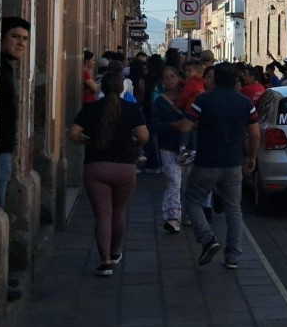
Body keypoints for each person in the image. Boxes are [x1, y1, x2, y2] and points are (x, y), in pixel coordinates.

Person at [173, 62, 260, 269]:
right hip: (233, 163)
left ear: (215, 79)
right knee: (233, 209)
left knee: (193, 200)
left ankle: (207, 238)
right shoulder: (245, 102)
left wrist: (171, 124)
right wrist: (252, 157)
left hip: (207, 162)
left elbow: (185, 126)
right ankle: (233, 257)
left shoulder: (204, 100)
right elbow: (255, 134)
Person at [69, 72, 149, 276]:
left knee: (102, 215)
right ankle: (115, 252)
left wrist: (87, 141)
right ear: (123, 88)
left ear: (102, 88)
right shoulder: (131, 109)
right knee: (119, 211)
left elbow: (74, 134)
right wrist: (132, 143)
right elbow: (143, 136)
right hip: (125, 167)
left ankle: (104, 261)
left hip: (96, 166)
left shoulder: (90, 109)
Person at [0, 17, 30, 209]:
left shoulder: (6, 68)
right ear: (1, 37)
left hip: (5, 149)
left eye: (25, 39)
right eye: (15, 37)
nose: (21, 43)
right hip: (0, 149)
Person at [150, 66, 187, 233]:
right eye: (166, 77)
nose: (170, 79)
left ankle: (191, 213)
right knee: (174, 180)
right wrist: (174, 125)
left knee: (189, 183)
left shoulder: (190, 98)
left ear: (179, 77)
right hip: (168, 146)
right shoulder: (159, 102)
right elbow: (154, 125)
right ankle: (173, 217)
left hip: (190, 147)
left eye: (173, 76)